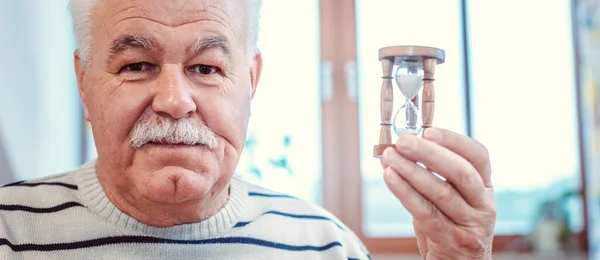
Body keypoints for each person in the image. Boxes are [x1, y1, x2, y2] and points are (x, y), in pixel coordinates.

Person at [0, 0, 497, 259]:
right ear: (84, 83)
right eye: (136, 65)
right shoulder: (9, 232)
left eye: (207, 68)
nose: (175, 102)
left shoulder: (328, 247)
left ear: (251, 84)